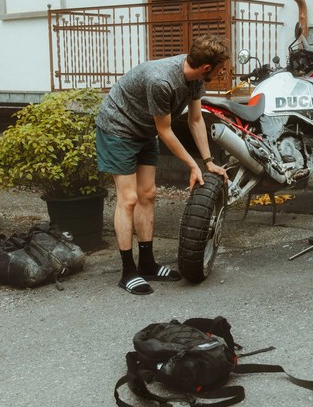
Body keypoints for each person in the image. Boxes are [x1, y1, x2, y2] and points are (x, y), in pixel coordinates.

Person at [95, 35, 229, 295]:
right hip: (118, 129)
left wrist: (208, 162)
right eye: (221, 68)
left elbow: (196, 120)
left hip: (144, 131)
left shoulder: (195, 80)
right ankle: (127, 271)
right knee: (129, 198)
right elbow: (166, 132)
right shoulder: (162, 81)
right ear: (206, 68)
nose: (223, 72)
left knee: (148, 194)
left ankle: (147, 264)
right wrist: (193, 166)